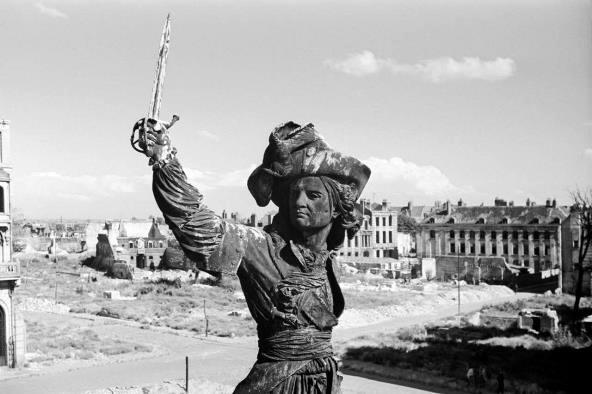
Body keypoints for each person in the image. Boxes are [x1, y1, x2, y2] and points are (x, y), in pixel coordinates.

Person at [132, 119, 371, 393]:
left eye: (313, 195)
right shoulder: (259, 248)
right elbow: (196, 225)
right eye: (295, 193)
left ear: (337, 207)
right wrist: (165, 160)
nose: (299, 202)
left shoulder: (328, 261)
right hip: (276, 386)